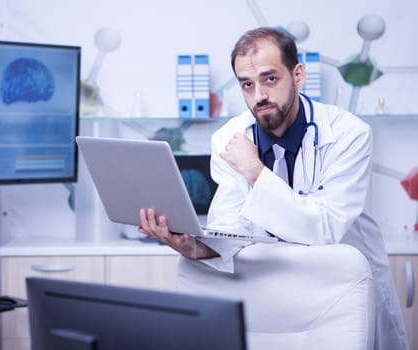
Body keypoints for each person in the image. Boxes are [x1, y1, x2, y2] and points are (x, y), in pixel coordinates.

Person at [138, 27, 408, 349]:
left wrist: (254, 170)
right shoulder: (228, 139)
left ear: (297, 75)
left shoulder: (349, 134)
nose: (259, 96)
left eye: (270, 79)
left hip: (341, 291)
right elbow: (231, 229)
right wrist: (195, 248)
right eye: (247, 85)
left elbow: (325, 230)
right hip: (274, 290)